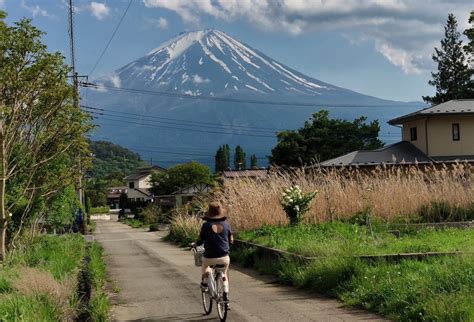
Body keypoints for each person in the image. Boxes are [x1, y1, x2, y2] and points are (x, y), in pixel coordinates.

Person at [195, 201, 233, 304]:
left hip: (209, 258)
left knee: (205, 266)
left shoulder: (206, 226)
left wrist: (195, 245)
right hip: (224, 257)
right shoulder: (227, 225)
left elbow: (200, 240)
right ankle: (225, 293)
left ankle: (204, 283)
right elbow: (231, 240)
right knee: (224, 273)